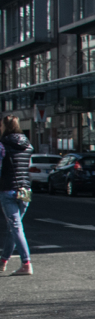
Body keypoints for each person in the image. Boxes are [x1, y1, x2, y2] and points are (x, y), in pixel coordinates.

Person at [0, 115, 33, 276]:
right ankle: (3, 260)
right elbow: (28, 166)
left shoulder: (2, 145)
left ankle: (26, 263)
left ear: (5, 127)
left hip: (8, 189)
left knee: (15, 227)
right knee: (14, 227)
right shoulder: (28, 145)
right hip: (26, 190)